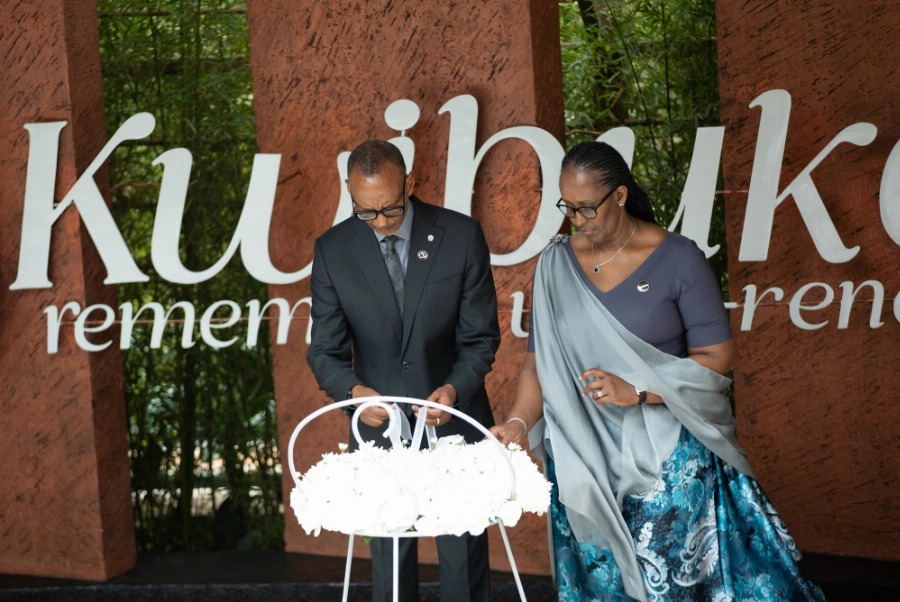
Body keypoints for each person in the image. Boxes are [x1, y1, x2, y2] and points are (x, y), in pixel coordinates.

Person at [490, 141, 826, 602]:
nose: (577, 220)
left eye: (588, 207)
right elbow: (537, 364)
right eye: (568, 207)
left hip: (666, 455)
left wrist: (640, 390)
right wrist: (517, 422)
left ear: (620, 196)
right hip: (582, 457)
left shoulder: (678, 259)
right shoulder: (554, 265)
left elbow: (716, 358)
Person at [306, 139, 500, 602]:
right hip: (379, 431)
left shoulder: (461, 235)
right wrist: (355, 395)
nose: (380, 223)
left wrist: (453, 390)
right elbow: (324, 353)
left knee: (463, 568)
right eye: (365, 212)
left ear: (410, 183)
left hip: (456, 424)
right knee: (390, 573)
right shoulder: (333, 250)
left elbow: (480, 339)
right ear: (349, 193)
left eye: (391, 210)